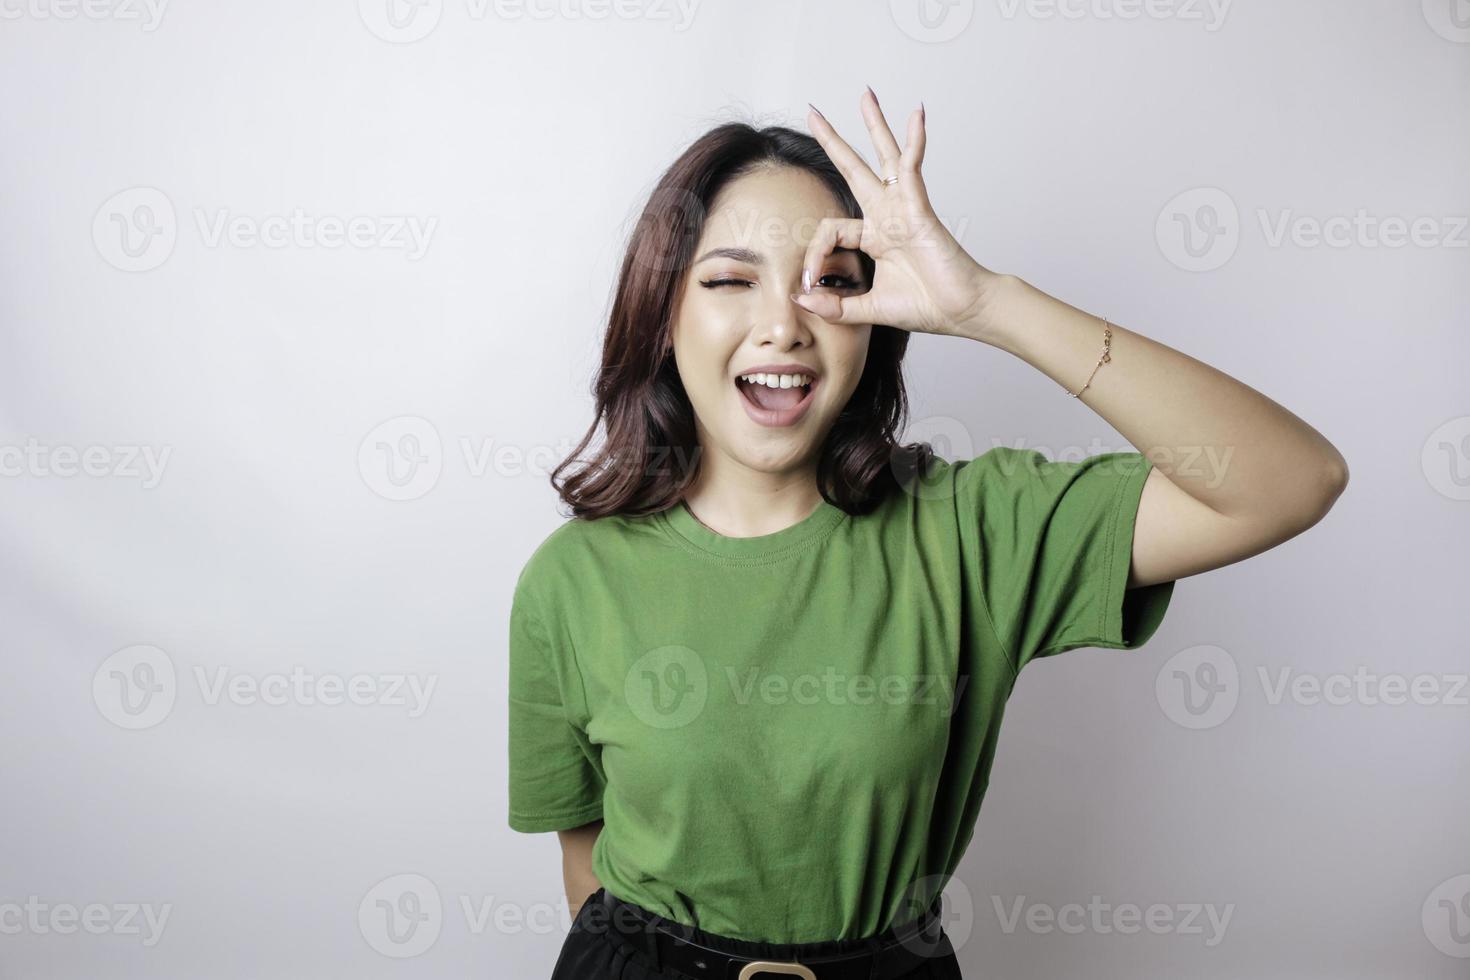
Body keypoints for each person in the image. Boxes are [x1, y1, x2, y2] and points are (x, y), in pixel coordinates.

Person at [507, 87, 1349, 980]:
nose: (785, 324)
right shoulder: (569, 581)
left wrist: (988, 304)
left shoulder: (969, 529)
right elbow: (588, 870)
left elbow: (1290, 481)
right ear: (662, 311)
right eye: (729, 279)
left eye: (829, 280)